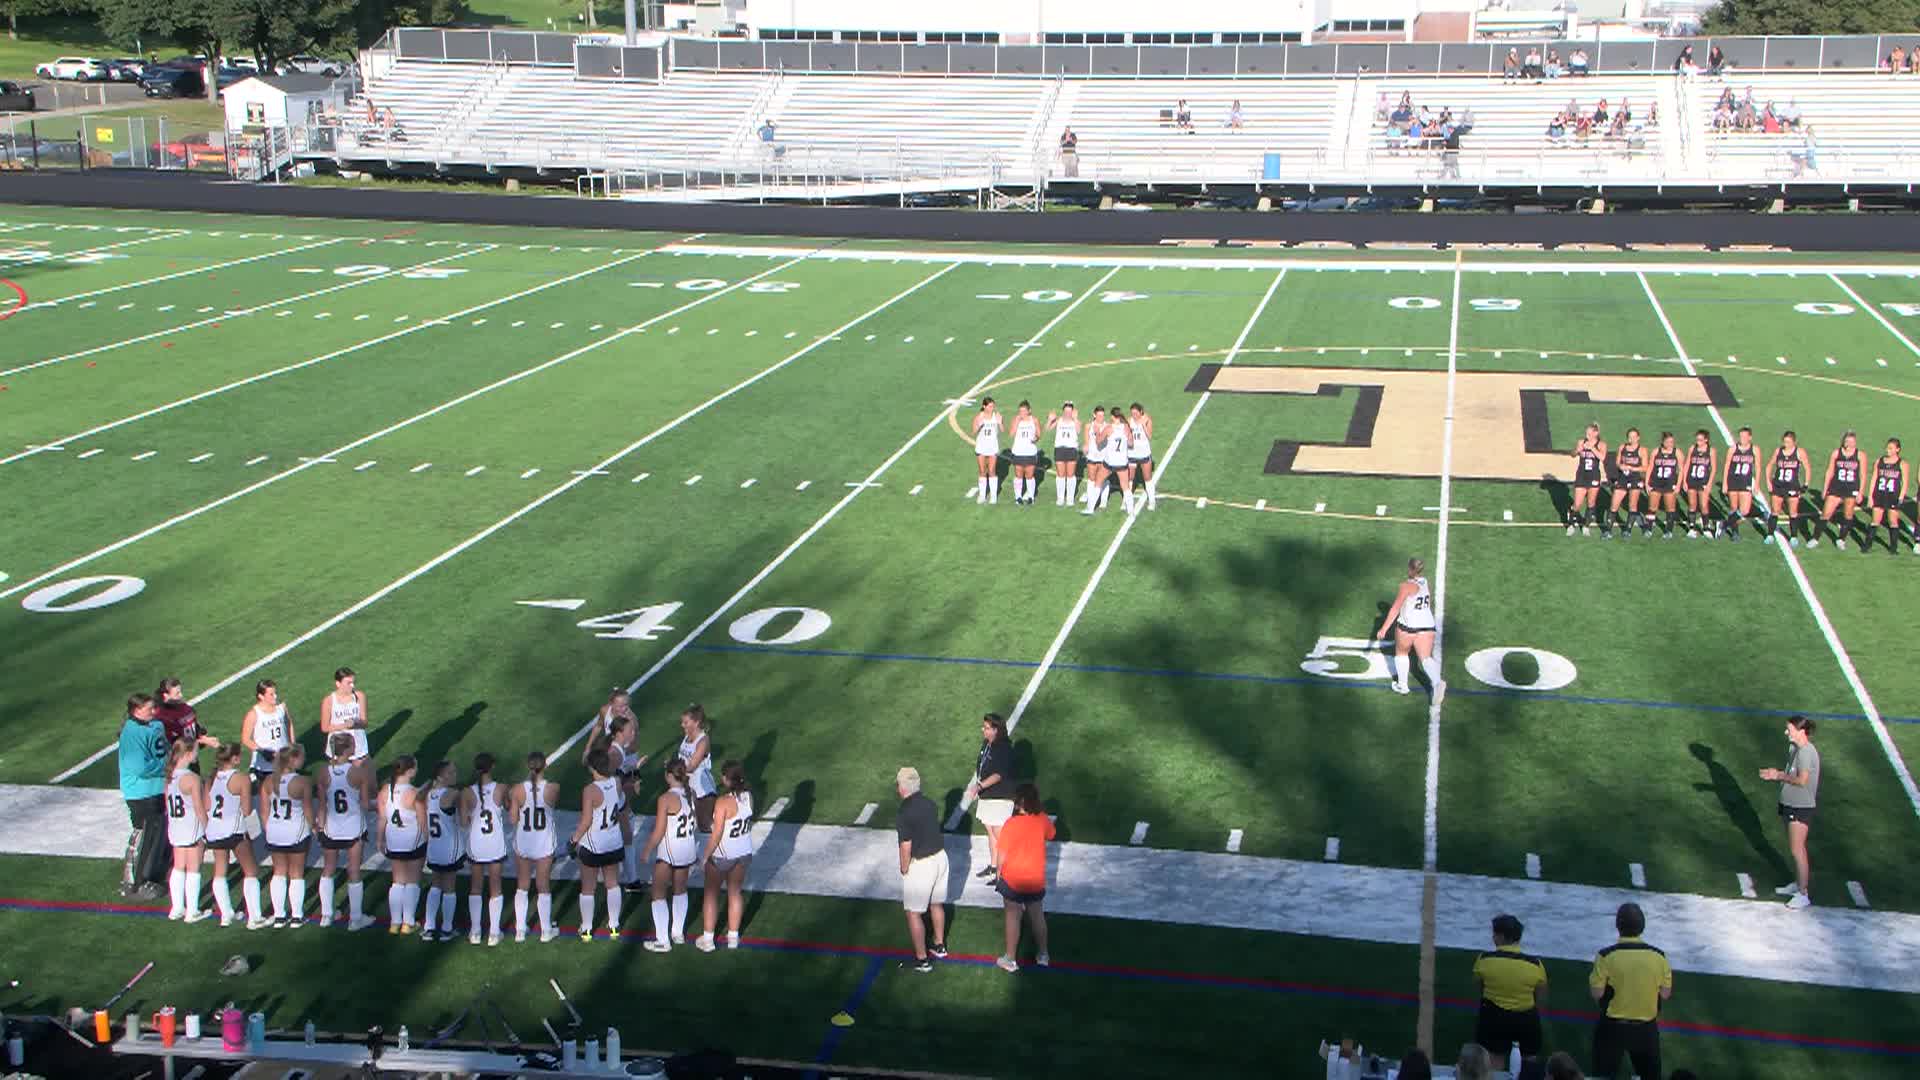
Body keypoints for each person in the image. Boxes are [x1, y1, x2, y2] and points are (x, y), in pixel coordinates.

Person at [1588, 902, 1671, 1080]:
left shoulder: (1606, 956)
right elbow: (1665, 993)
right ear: (1642, 926)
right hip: (1646, 1029)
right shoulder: (1659, 956)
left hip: (1612, 1027)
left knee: (1603, 1076)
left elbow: (1597, 994)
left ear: (1618, 925)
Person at [315, 732, 376, 931]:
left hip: (331, 827)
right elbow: (366, 804)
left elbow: (323, 804)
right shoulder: (358, 773)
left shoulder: (323, 772)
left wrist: (320, 827)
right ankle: (355, 919)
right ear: (348, 749)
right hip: (352, 828)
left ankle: (326, 915)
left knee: (328, 869)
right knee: (354, 870)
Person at [570, 747, 630, 942]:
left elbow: (586, 820)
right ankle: (614, 926)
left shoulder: (590, 790)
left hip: (593, 844)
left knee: (588, 887)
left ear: (592, 768)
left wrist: (574, 839)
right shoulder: (617, 783)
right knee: (612, 884)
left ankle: (586, 929)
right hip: (613, 842)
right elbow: (620, 806)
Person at [202, 742, 264, 927]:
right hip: (234, 831)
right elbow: (246, 810)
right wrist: (254, 833)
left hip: (214, 831)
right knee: (251, 871)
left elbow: (206, 806)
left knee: (220, 872)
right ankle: (254, 918)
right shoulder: (242, 778)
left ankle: (226, 915)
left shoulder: (211, 778)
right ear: (235, 758)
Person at [993, 783, 1053, 972]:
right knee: (1037, 916)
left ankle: (1010, 958)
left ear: (1019, 803)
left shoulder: (1011, 824)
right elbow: (1051, 834)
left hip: (1013, 879)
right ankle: (1043, 954)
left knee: (1012, 916)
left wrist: (997, 875)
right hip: (1035, 878)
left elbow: (1001, 854)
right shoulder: (1042, 819)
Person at [1761, 715, 1820, 910]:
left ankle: (1803, 894)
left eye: (1789, 729)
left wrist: (1777, 775)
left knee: (1797, 849)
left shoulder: (1806, 752)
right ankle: (1798, 884)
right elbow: (1791, 772)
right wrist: (1777, 773)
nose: (1786, 732)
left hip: (1800, 806)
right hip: (1790, 803)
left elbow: (1802, 780)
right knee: (1794, 847)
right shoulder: (1794, 748)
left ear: (1801, 731)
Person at [695, 761, 754, 952]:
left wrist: (705, 856)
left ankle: (708, 939)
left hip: (723, 854)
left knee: (711, 894)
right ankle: (733, 938)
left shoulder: (722, 802)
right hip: (743, 851)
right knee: (735, 892)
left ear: (728, 779)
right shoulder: (749, 797)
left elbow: (717, 833)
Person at [894, 766, 948, 972]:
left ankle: (922, 959)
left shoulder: (904, 812)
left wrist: (904, 867)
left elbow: (905, 845)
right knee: (936, 904)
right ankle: (939, 945)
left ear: (903, 788)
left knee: (913, 913)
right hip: (941, 858)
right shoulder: (930, 804)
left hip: (922, 864)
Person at [642, 758, 700, 952]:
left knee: (658, 893)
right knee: (680, 889)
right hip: (687, 848)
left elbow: (659, 831)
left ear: (668, 776)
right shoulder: (691, 793)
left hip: (670, 850)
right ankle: (678, 933)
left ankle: (662, 941)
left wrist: (647, 850)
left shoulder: (665, 799)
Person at [118, 693, 170, 899]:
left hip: (155, 789)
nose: (154, 712)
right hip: (140, 793)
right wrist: (167, 767)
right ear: (136, 711)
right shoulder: (131, 734)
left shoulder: (155, 726)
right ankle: (134, 881)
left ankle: (150, 877)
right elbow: (140, 767)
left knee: (156, 836)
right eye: (149, 709)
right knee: (142, 836)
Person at [1473, 913, 1547, 1060]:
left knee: (1494, 1061)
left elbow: (1480, 989)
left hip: (1493, 1016)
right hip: (1526, 1017)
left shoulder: (1484, 960)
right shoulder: (1535, 964)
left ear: (1500, 936)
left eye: (1494, 934)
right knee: (1529, 1062)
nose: (1493, 937)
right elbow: (1541, 996)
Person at [1375, 557, 1444, 703]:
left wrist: (1384, 628)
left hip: (1409, 627)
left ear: (1411, 569)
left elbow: (1395, 609)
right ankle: (1437, 682)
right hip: (1427, 626)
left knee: (1401, 653)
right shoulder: (1425, 582)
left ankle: (1403, 686)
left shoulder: (1405, 586)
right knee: (1425, 658)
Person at [260, 745, 313, 928]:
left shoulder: (268, 781)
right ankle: (297, 916)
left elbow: (264, 813)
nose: (303, 760)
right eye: (301, 758)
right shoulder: (302, 782)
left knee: (279, 872)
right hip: (296, 832)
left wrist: (271, 831)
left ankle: (279, 916)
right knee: (296, 873)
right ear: (293, 760)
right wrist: (314, 827)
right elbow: (307, 811)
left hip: (275, 832)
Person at [509, 750, 560, 943]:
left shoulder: (517, 790)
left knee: (522, 885)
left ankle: (520, 930)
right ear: (545, 765)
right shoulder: (553, 788)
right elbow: (551, 805)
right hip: (544, 841)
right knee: (543, 885)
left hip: (524, 840)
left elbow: (513, 819)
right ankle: (546, 931)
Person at [462, 752, 508, 946]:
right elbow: (508, 807)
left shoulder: (466, 792)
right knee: (495, 887)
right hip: (494, 842)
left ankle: (475, 931)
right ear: (493, 766)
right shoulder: (502, 788)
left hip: (476, 843)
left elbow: (463, 822)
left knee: (475, 887)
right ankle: (494, 933)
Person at [377, 754, 426, 936]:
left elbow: (382, 818)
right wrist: (428, 840)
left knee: (397, 882)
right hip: (413, 841)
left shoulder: (385, 790)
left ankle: (394, 922)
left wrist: (379, 839)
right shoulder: (414, 793)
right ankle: (409, 922)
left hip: (394, 841)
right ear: (410, 770)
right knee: (412, 881)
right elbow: (422, 821)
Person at [163, 738, 208, 922]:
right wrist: (208, 829)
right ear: (188, 754)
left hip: (175, 828)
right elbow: (199, 808)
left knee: (178, 867)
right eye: (196, 751)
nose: (197, 754)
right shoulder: (192, 778)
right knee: (194, 869)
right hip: (191, 828)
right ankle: (192, 911)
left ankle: (176, 908)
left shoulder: (168, 776)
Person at [420, 760, 464, 942]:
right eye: (450, 773)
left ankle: (429, 927)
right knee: (449, 887)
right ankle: (446, 928)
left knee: (435, 884)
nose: (454, 775)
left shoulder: (427, 794)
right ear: (439, 776)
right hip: (449, 847)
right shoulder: (452, 794)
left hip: (434, 847)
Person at [967, 714, 1015, 882]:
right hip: (988, 795)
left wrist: (979, 786)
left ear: (996, 730)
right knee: (991, 832)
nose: (983, 730)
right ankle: (994, 867)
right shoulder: (987, 744)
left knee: (999, 834)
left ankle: (1005, 872)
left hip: (1000, 796)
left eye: (987, 728)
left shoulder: (1003, 748)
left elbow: (999, 774)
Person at [1813, 431, 1863, 549]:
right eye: (1846, 441)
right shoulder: (1836, 453)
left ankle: (1841, 539)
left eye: (1851, 441)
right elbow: (1830, 471)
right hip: (1836, 487)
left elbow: (1862, 475)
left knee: (1848, 515)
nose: (1848, 443)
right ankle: (1815, 538)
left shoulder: (1860, 455)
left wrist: (1860, 492)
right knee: (1826, 513)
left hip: (1851, 488)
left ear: (1855, 442)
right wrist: (1825, 488)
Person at [240, 678, 292, 785]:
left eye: (275, 693)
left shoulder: (281, 708)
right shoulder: (254, 714)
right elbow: (245, 739)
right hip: (265, 765)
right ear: (261, 696)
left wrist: (292, 745)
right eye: (271, 694)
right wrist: (262, 751)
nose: (275, 696)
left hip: (283, 760)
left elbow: (289, 724)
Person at [1765, 430, 1811, 547]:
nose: (1787, 444)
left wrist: (1805, 484)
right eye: (1785, 441)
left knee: (1793, 512)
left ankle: (1793, 537)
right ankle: (1770, 534)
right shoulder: (1778, 451)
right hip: (1778, 485)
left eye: (1789, 442)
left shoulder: (1799, 452)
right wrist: (1768, 482)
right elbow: (1769, 465)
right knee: (1775, 510)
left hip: (1792, 486)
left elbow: (1807, 468)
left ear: (1794, 442)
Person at [1086, 403, 1131, 514]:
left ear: (1112, 416)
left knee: (1098, 483)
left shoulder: (1108, 428)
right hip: (1122, 462)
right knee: (1125, 487)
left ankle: (1090, 509)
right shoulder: (1126, 427)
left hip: (1110, 461)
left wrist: (1097, 433)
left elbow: (1098, 441)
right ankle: (1131, 511)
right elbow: (1131, 443)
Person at [678, 703, 717, 832]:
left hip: (702, 789)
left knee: (705, 826)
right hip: (686, 785)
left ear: (696, 722)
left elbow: (692, 766)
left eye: (685, 722)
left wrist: (674, 769)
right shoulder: (687, 736)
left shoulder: (703, 740)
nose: (682, 725)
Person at [1867, 437, 1908, 553]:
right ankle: (1867, 545)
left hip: (1893, 496)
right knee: (1875, 520)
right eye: (1887, 447)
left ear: (1897, 449)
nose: (1888, 450)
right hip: (1879, 494)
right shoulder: (1879, 461)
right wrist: (1870, 496)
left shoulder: (1902, 464)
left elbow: (1904, 482)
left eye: (1891, 448)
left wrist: (1901, 497)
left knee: (1893, 521)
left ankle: (1893, 548)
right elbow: (1874, 479)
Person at [319, 667, 370, 761]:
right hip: (338, 751)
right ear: (338, 684)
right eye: (349, 683)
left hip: (358, 748)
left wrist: (356, 723)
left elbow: (365, 722)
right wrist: (345, 725)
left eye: (353, 682)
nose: (352, 686)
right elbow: (325, 727)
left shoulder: (359, 696)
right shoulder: (329, 701)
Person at [1605, 427, 1648, 539]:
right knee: (1614, 504)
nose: (1632, 439)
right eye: (1630, 437)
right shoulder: (1622, 447)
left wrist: (1632, 468)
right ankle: (1608, 530)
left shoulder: (1642, 450)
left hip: (1635, 479)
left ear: (1638, 438)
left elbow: (1645, 467)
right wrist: (1621, 466)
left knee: (1632, 505)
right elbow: (1617, 463)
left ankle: (1627, 530)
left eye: (1634, 437)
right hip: (1623, 479)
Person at [1721, 426, 1759, 542]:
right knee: (1733, 507)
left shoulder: (1754, 449)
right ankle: (1735, 532)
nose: (1742, 438)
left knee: (1745, 510)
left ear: (1750, 437)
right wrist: (1724, 483)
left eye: (1745, 436)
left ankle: (1725, 524)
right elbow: (1727, 466)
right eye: (1741, 436)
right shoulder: (1733, 449)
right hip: (1733, 480)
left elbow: (1757, 467)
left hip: (1745, 481)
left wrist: (1756, 483)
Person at [155, 678, 216, 749]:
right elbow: (176, 745)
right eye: (177, 693)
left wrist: (203, 737)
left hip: (192, 755)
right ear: (166, 695)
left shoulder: (185, 708)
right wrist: (202, 741)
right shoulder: (162, 717)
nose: (181, 695)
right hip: (179, 758)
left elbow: (195, 727)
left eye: (180, 692)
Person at [1568, 423, 1606, 534]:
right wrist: (1577, 450)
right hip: (1581, 476)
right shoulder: (1581, 442)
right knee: (1577, 503)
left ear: (1596, 433)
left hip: (1594, 476)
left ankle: (1586, 525)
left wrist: (1592, 448)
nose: (1587, 435)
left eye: (1590, 433)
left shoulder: (1601, 444)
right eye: (1586, 433)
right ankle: (1571, 524)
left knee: (1591, 502)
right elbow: (1573, 454)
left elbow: (1602, 458)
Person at [1681, 429, 1717, 538]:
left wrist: (1710, 483)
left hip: (1703, 480)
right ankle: (1692, 528)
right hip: (1692, 479)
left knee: (1703, 505)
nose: (1698, 442)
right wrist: (1684, 480)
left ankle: (1706, 528)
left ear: (1706, 440)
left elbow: (1714, 468)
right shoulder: (1692, 448)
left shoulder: (1711, 450)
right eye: (1697, 439)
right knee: (1692, 504)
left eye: (1701, 440)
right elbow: (1687, 464)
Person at [1645, 432, 1681, 539]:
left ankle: (1668, 531)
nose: (1670, 444)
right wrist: (1647, 482)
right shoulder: (1656, 451)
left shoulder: (1677, 452)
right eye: (1668, 442)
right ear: (1662, 442)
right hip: (1656, 482)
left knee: (1670, 508)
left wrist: (1678, 484)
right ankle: (1649, 528)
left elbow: (1682, 470)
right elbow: (1650, 467)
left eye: (1672, 442)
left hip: (1670, 483)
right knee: (1652, 507)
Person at [1007, 400, 1041, 507]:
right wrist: (1016, 422)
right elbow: (1011, 434)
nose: (1021, 413)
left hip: (1030, 452)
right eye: (1020, 411)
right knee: (1018, 475)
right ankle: (1018, 497)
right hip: (1018, 452)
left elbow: (1038, 434)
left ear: (1029, 411)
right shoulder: (1016, 420)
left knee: (1030, 475)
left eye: (1023, 411)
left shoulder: (1034, 420)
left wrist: (1035, 439)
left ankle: (1031, 497)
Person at [1046, 401, 1080, 507]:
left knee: (1070, 475)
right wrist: (1050, 420)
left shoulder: (1075, 421)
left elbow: (1078, 430)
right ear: (1063, 411)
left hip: (1072, 450)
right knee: (1060, 475)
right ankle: (1060, 498)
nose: (1068, 413)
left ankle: (1070, 499)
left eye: (1070, 411)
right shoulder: (1059, 420)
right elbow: (1047, 429)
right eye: (1066, 411)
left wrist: (1075, 418)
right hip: (1060, 449)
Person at [971, 397, 1002, 505]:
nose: (992, 408)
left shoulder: (996, 416)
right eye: (990, 406)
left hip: (993, 446)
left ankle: (993, 496)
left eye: (993, 406)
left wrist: (1000, 422)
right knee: (982, 471)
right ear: (984, 406)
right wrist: (979, 425)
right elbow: (974, 432)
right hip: (981, 447)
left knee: (992, 470)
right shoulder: (979, 417)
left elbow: (1003, 430)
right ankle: (982, 495)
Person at [1126, 402, 1157, 512]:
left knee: (1147, 478)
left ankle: (1152, 500)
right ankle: (1128, 500)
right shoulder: (1129, 421)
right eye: (1132, 413)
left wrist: (1143, 425)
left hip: (1144, 453)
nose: (1134, 415)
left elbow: (1149, 436)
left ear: (1141, 412)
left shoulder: (1147, 420)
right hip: (1132, 454)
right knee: (1130, 477)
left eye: (1136, 413)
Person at [1078, 406, 1109, 513]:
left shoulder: (1107, 426)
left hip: (1103, 457)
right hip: (1092, 456)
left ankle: (1103, 500)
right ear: (1094, 415)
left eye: (1103, 415)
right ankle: (1091, 500)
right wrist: (1085, 446)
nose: (1101, 417)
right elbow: (1086, 440)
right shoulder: (1088, 426)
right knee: (1091, 479)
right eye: (1099, 415)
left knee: (1102, 479)